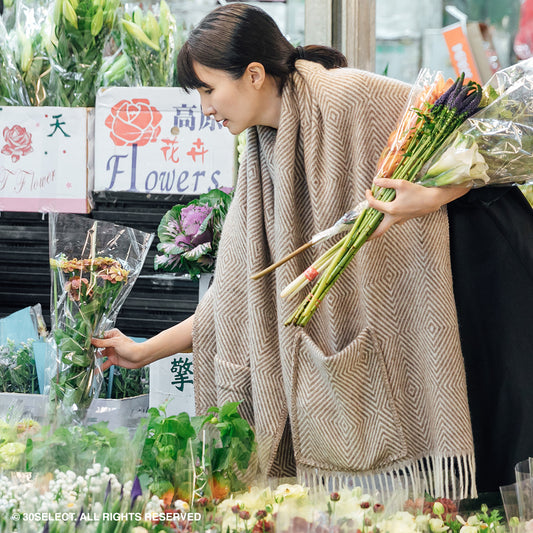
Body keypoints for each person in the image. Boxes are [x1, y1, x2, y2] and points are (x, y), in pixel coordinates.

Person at [92, 2, 533, 501]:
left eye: (209, 90)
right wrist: (144, 350)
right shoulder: (263, 150)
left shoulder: (347, 95)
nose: (206, 109)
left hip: (475, 284)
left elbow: (478, 137)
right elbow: (240, 294)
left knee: (496, 485)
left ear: (254, 74)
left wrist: (432, 195)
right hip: (440, 300)